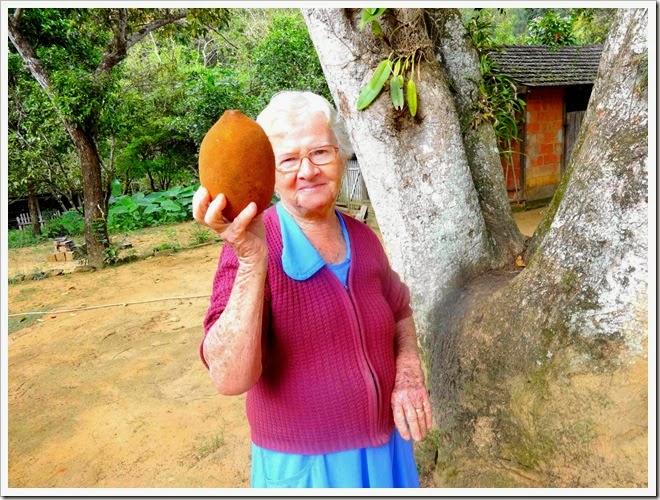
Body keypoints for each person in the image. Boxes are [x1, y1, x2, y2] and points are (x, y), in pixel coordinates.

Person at [193, 91, 433, 488]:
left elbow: (399, 309)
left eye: (320, 152)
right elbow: (229, 378)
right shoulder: (249, 249)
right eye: (288, 160)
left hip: (387, 451)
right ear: (268, 172)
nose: (307, 171)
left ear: (340, 156)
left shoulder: (363, 237)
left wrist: (408, 376)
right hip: (306, 469)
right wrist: (254, 260)